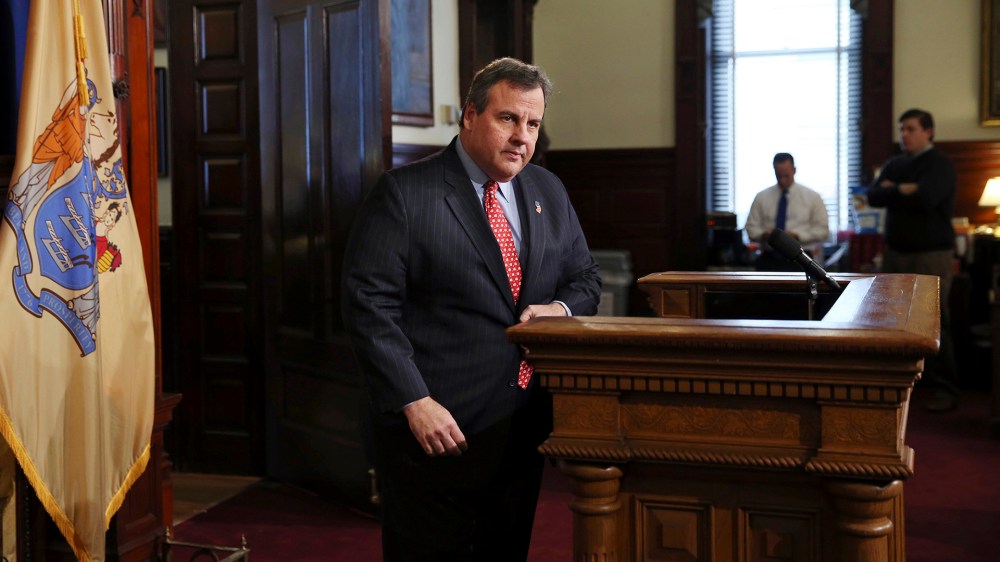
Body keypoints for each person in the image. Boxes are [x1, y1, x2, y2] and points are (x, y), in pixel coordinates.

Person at [341, 58, 601, 562]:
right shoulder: (405, 193)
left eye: (533, 124)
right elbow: (369, 306)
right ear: (469, 116)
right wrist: (414, 401)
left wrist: (559, 307)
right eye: (508, 119)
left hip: (520, 429)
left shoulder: (549, 188)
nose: (522, 136)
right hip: (435, 432)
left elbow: (586, 278)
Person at [868, 108, 958, 412]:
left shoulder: (940, 164)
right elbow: (873, 196)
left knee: (935, 320)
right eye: (901, 129)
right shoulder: (896, 163)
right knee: (892, 320)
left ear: (928, 131)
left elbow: (927, 198)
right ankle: (899, 383)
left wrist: (896, 189)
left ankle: (944, 386)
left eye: (910, 128)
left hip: (930, 255)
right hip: (895, 254)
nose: (904, 134)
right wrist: (902, 190)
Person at [745, 153, 830, 271]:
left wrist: (797, 236)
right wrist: (764, 235)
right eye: (778, 176)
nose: (782, 180)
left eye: (786, 175)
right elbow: (751, 228)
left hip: (801, 259)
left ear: (794, 170)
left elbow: (823, 231)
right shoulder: (761, 197)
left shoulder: (812, 197)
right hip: (769, 258)